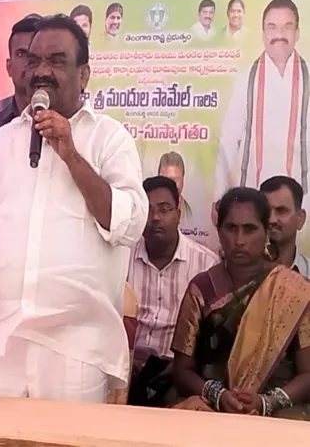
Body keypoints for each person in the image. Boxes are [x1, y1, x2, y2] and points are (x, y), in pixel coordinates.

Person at [0, 14, 148, 401]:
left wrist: (71, 154)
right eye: (34, 60)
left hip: (75, 343)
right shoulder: (2, 141)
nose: (41, 71)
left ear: (84, 74)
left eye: (57, 61)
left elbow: (127, 224)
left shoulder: (110, 139)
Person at [171, 187, 310, 419]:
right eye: (231, 228)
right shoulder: (202, 288)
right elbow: (182, 371)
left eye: (250, 229)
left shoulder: (294, 291)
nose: (239, 240)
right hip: (210, 409)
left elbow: (307, 374)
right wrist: (217, 394)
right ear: (219, 231)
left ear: (266, 232)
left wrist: (267, 402)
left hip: (277, 414)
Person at [127, 176, 218, 407]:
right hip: (126, 369)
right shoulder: (121, 258)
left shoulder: (205, 264)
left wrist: (182, 365)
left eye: (164, 209)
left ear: (178, 212)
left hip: (178, 375)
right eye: (148, 210)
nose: (156, 217)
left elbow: (211, 332)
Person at [215, 0, 310, 213]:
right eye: (272, 27)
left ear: (297, 33)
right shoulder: (246, 78)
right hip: (253, 200)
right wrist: (219, 196)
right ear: (263, 34)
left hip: (302, 201)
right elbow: (228, 141)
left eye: (287, 27)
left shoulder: (308, 77)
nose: (279, 35)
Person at [0, 15, 42, 174]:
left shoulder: (65, 127)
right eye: (21, 54)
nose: (28, 62)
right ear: (9, 67)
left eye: (34, 55)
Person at [260, 175, 309, 277]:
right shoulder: (242, 273)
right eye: (266, 211)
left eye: (281, 210)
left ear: (300, 218)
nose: (271, 219)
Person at [158, 152, 195, 232]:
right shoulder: (149, 213)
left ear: (183, 181)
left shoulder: (191, 215)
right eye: (164, 179)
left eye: (174, 180)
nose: (169, 185)